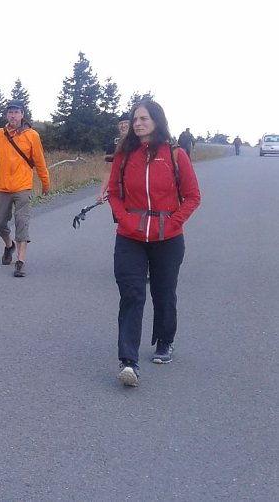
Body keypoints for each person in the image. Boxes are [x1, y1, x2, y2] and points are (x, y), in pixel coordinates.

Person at [107, 100, 201, 387]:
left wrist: (172, 223)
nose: (138, 123)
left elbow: (193, 196)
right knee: (132, 294)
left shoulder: (175, 155)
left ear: (157, 121)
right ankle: (128, 361)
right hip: (130, 237)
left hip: (168, 238)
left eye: (144, 118)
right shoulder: (124, 155)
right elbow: (113, 192)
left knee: (163, 292)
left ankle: (164, 340)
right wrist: (125, 220)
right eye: (135, 119)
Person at [0, 100, 51, 277]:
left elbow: (39, 161)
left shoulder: (32, 135)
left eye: (16, 112)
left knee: (21, 221)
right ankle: (9, 245)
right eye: (10, 112)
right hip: (3, 187)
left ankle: (20, 261)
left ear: (22, 114)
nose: (13, 115)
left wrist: (45, 182)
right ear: (6, 115)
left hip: (23, 186)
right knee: (0, 223)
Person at [98, 114, 130, 203]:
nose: (123, 126)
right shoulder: (113, 145)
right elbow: (109, 171)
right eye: (121, 123)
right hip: (118, 191)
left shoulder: (139, 143)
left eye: (126, 123)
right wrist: (101, 192)